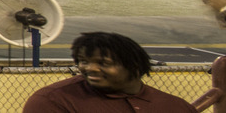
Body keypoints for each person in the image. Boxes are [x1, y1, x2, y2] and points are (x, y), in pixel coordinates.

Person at [20, 32, 195, 113]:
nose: (90, 68)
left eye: (103, 63)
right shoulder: (54, 101)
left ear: (133, 65)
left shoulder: (174, 106)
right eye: (83, 61)